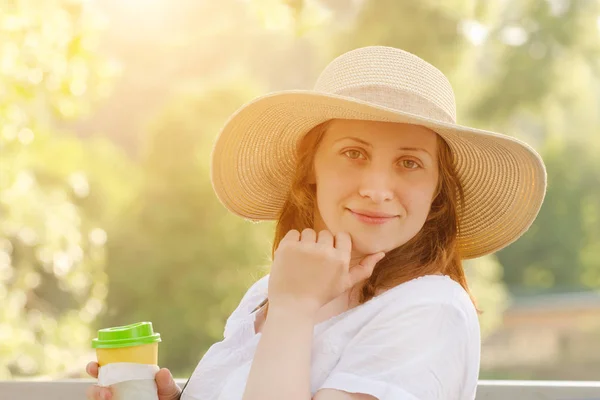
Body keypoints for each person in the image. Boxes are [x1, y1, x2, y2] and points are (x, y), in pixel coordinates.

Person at [86, 45, 547, 400]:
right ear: (311, 171)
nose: (377, 187)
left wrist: (293, 310)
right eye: (353, 153)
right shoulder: (272, 292)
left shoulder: (429, 308)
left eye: (410, 163)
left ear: (437, 193)